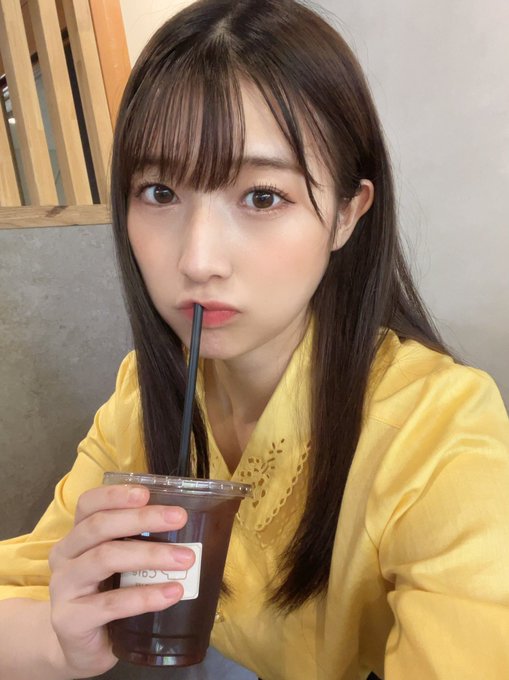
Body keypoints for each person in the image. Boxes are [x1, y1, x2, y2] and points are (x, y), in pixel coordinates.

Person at [1, 0, 508, 678]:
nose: (197, 259)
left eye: (263, 197)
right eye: (158, 192)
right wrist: (59, 640)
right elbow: (19, 591)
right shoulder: (144, 396)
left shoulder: (439, 428)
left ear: (346, 214)